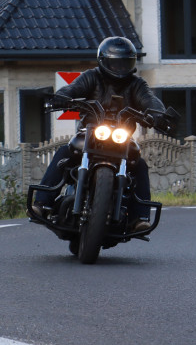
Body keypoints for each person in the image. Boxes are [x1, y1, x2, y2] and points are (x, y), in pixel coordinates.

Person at [31, 36, 169, 232]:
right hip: (90, 134)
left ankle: (140, 216)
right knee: (65, 152)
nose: (120, 68)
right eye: (115, 63)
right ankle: (41, 204)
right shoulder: (92, 77)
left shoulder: (137, 84)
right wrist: (62, 98)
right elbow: (73, 88)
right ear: (104, 61)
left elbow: (149, 100)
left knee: (139, 164)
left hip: (122, 139)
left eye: (124, 63)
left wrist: (159, 115)